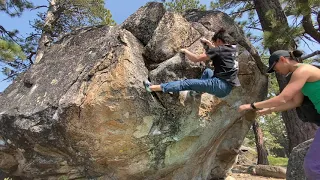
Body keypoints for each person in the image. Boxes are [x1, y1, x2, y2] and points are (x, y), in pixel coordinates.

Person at [238, 49, 320, 179]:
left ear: (283, 59)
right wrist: (269, 110)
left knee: (313, 166)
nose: (277, 71)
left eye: (275, 68)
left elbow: (283, 98)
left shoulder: (303, 70)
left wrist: (252, 105)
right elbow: (295, 102)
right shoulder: (298, 74)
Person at [143, 28, 240, 98]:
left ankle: (151, 88)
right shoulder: (233, 50)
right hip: (227, 90)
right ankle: (197, 92)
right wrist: (209, 43)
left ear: (219, 41)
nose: (214, 46)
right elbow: (219, 52)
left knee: (185, 84)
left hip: (218, 85)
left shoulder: (219, 49)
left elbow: (196, 59)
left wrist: (185, 51)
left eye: (215, 43)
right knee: (207, 72)